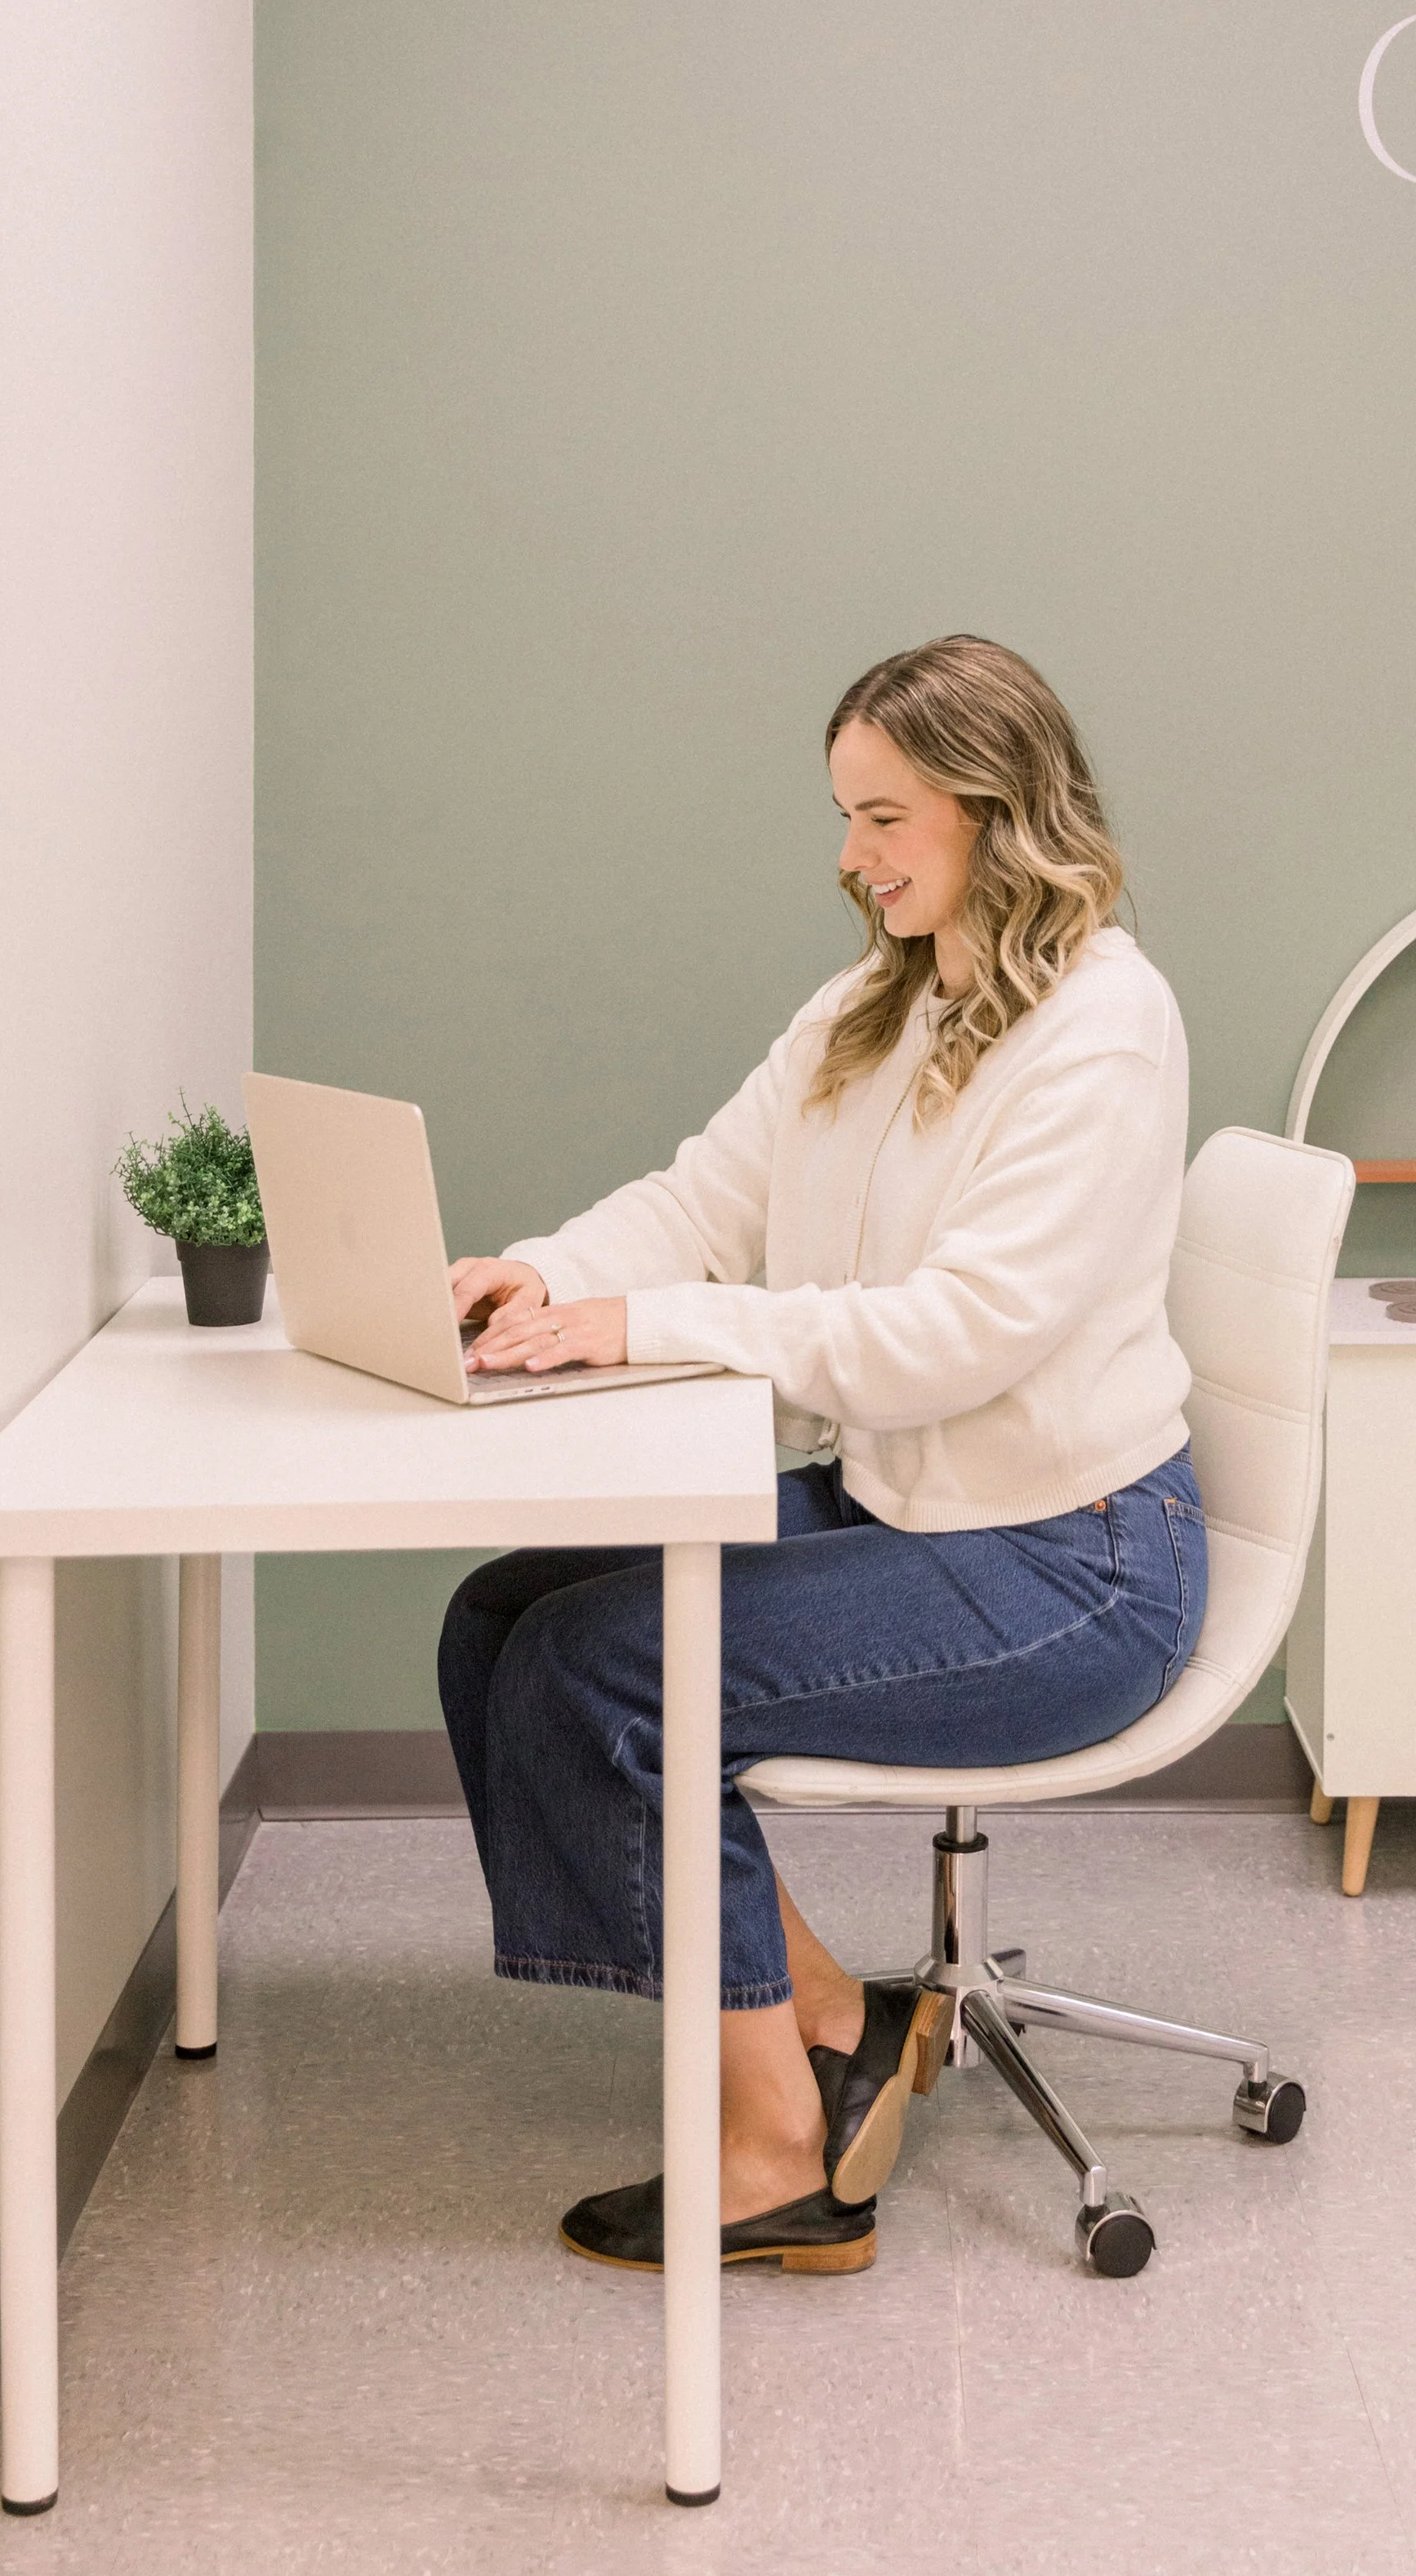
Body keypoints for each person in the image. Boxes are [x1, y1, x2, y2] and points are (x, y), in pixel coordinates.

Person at [438, 634, 1202, 2276]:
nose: (848, 857)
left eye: (880, 817)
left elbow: (955, 1333)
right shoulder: (872, 1005)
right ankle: (840, 2021)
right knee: (505, 1616)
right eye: (846, 817)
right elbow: (701, 1196)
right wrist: (549, 1273)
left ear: (994, 812)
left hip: (1074, 1563)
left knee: (602, 1675)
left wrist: (648, 1328)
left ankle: (782, 2153)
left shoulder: (1100, 1028)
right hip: (914, 1508)